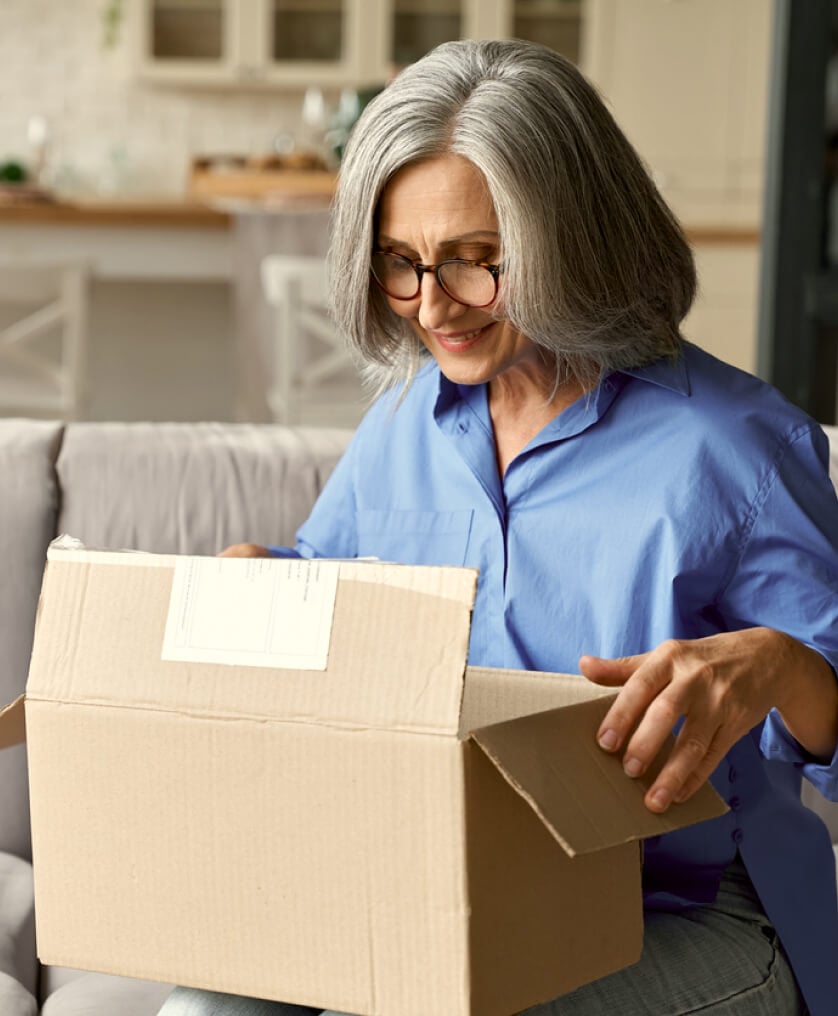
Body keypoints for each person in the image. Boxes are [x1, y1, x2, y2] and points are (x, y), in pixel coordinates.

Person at [159, 39, 838, 1016]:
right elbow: (328, 585)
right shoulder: (403, 423)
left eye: (478, 262)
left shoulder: (734, 445)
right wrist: (264, 583)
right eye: (403, 263)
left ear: (576, 235)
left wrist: (777, 663)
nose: (434, 306)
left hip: (690, 912)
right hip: (447, 886)